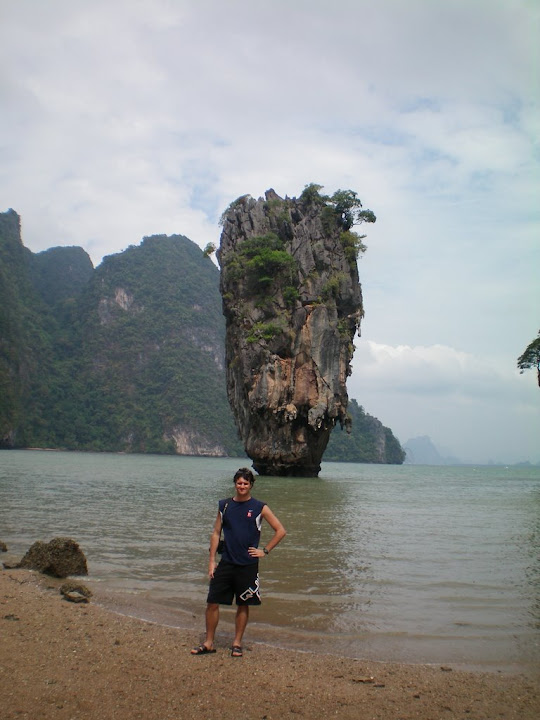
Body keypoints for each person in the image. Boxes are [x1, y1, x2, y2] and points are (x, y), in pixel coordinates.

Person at [191, 467, 286, 657]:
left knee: (244, 604)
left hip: (247, 564)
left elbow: (280, 530)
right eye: (239, 483)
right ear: (235, 484)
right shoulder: (224, 506)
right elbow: (216, 533)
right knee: (212, 601)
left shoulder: (259, 507)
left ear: (251, 485)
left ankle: (237, 643)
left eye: (245, 483)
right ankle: (209, 642)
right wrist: (211, 561)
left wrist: (264, 551)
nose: (242, 486)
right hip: (226, 562)